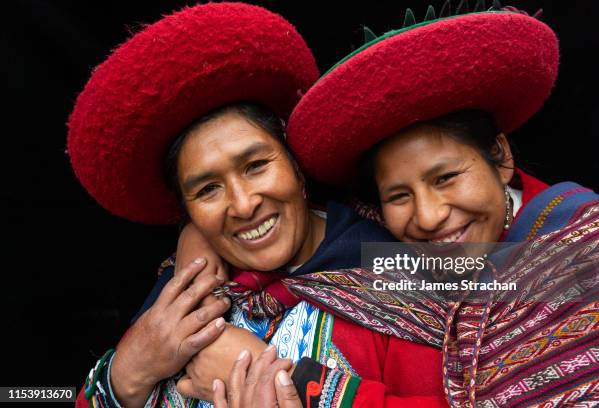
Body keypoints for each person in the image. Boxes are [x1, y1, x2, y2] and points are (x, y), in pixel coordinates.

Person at [68, 3, 446, 408]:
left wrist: (290, 386)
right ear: (187, 213)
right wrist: (126, 374)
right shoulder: (183, 295)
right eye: (208, 190)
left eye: (256, 166)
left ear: (296, 166)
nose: (244, 205)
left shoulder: (404, 283)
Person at [286, 4, 599, 407]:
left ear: (501, 155)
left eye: (446, 178)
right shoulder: (384, 270)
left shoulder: (591, 252)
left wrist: (316, 388)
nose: (429, 216)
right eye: (399, 196)